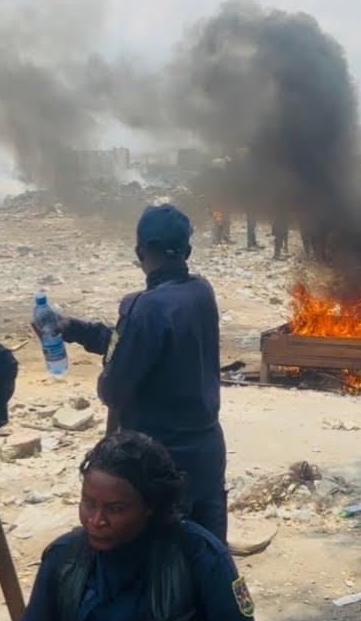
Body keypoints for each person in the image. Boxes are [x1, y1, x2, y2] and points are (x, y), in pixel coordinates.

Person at [6, 432, 260, 621]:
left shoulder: (199, 554)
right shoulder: (63, 559)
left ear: (150, 507)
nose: (96, 520)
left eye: (116, 508)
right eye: (88, 503)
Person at [52, 204, 229, 543]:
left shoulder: (145, 307)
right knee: (210, 558)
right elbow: (144, 346)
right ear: (188, 251)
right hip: (207, 452)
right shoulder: (201, 292)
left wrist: (107, 374)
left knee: (160, 571)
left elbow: (114, 390)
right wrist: (76, 330)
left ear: (139, 252)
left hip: (160, 461)